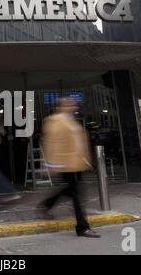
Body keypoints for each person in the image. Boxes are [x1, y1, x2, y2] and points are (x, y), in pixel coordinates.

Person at [39, 97, 100, 238]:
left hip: (76, 163)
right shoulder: (54, 121)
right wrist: (51, 164)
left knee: (71, 191)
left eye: (72, 103)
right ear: (59, 107)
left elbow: (78, 143)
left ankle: (47, 204)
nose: (73, 105)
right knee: (77, 195)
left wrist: (85, 160)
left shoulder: (71, 120)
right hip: (65, 164)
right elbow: (51, 143)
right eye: (68, 104)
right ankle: (82, 228)